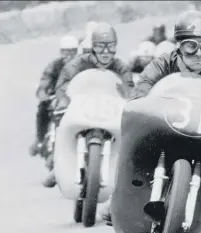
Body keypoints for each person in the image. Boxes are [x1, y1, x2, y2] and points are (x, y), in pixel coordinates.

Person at [100, 10, 201, 223]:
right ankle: (118, 198)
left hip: (199, 133)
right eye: (190, 46)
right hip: (164, 126)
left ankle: (199, 210)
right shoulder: (162, 64)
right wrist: (139, 106)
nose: (198, 54)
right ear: (179, 46)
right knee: (131, 143)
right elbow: (142, 90)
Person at [44, 22, 135, 188]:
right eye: (101, 47)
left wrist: (131, 102)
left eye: (111, 46)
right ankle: (58, 166)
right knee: (60, 116)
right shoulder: (78, 63)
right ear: (93, 47)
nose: (106, 52)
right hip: (83, 105)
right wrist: (64, 99)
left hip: (109, 108)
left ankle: (130, 168)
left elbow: (129, 88)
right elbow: (63, 84)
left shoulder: (121, 66)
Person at [28, 35, 79, 160]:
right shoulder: (54, 66)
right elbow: (45, 81)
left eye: (72, 51)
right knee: (42, 108)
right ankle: (40, 139)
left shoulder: (82, 65)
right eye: (66, 52)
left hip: (78, 98)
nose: (69, 55)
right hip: (57, 98)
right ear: (61, 52)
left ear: (77, 52)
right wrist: (44, 93)